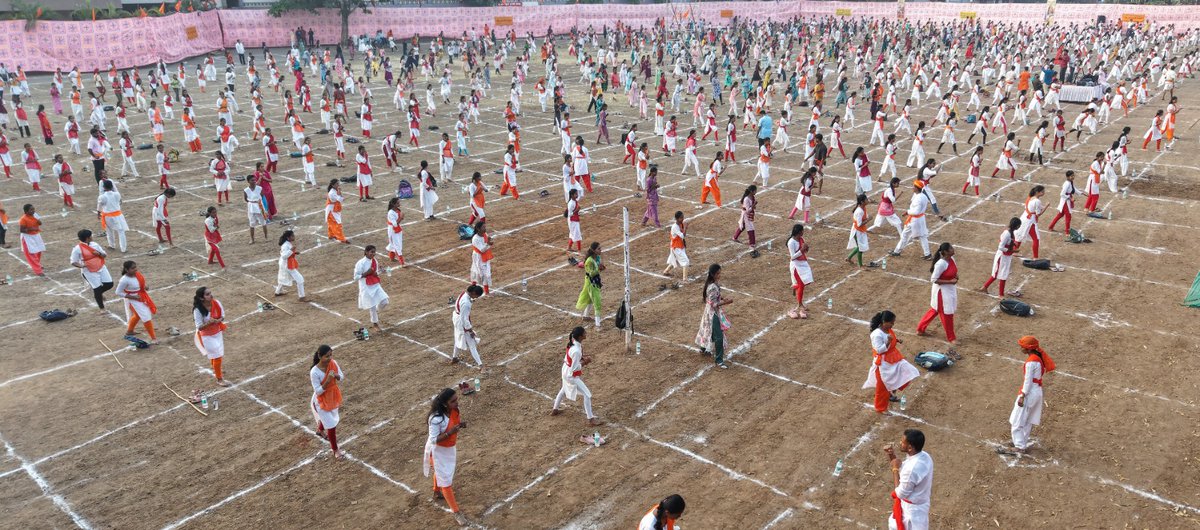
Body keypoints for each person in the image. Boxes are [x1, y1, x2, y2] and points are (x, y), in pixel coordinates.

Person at [1001, 336, 1056, 455]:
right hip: (1037, 392)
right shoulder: (1037, 357)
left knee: (1017, 420)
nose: (1021, 348)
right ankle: (1021, 442)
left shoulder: (1031, 362)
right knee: (1027, 420)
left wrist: (1022, 395)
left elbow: (1028, 381)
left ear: (1028, 348)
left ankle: (1019, 446)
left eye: (1022, 346)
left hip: (1029, 393)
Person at [424, 387, 470, 526]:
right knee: (446, 481)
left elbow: (453, 424)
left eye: (456, 399)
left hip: (448, 449)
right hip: (437, 451)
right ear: (445, 403)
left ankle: (436, 492)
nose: (457, 402)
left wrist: (459, 425)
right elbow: (433, 440)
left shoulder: (454, 411)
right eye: (453, 401)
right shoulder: (436, 418)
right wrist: (450, 433)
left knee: (442, 473)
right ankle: (456, 512)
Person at [863, 310, 919, 413]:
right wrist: (889, 342)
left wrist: (896, 340)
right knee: (882, 387)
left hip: (894, 358)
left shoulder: (887, 329)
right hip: (883, 363)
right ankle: (881, 408)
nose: (892, 325)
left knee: (909, 372)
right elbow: (879, 350)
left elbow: (890, 338)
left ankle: (892, 391)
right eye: (891, 323)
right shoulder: (876, 334)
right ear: (884, 321)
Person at [551, 326, 603, 425]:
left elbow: (572, 358)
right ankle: (591, 419)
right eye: (584, 333)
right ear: (580, 336)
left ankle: (555, 410)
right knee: (587, 394)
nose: (586, 334)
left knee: (563, 390)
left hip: (565, 370)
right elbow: (574, 368)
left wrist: (582, 358)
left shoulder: (573, 342)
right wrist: (585, 362)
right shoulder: (576, 351)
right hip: (570, 374)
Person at [884, 429, 933, 530]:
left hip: (913, 513)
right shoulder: (925, 456)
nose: (900, 443)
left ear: (910, 448)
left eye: (903, 442)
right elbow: (906, 472)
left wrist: (895, 469)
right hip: (917, 505)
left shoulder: (912, 469)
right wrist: (892, 456)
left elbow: (901, 493)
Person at [917, 243, 958, 346]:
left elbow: (954, 271)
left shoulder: (952, 259)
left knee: (935, 310)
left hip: (949, 290)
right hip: (942, 292)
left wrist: (956, 277)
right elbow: (934, 279)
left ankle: (920, 329)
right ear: (946, 252)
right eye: (951, 248)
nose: (953, 249)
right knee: (946, 313)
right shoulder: (941, 264)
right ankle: (951, 337)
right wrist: (950, 282)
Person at [310, 345, 344, 458]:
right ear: (320, 356)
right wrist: (328, 381)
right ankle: (335, 450)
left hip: (333, 397)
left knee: (331, 418)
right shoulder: (314, 372)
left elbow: (342, 377)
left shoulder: (333, 363)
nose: (330, 358)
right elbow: (318, 391)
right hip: (321, 400)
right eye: (326, 356)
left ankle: (320, 430)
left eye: (331, 355)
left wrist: (337, 376)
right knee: (331, 425)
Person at [193, 287, 231, 387]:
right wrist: (208, 323)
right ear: (202, 298)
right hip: (206, 336)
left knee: (215, 354)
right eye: (207, 294)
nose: (211, 295)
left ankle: (216, 369)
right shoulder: (198, 310)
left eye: (210, 293)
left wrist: (218, 321)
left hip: (217, 332)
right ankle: (219, 379)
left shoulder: (217, 303)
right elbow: (199, 327)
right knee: (217, 356)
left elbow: (222, 316)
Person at [696, 263, 732, 368]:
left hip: (711, 312)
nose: (719, 275)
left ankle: (703, 349)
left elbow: (715, 298)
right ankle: (719, 360)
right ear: (713, 274)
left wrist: (723, 298)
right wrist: (727, 302)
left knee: (708, 330)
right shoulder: (712, 287)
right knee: (718, 336)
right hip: (712, 313)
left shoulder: (713, 283)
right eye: (718, 273)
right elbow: (713, 304)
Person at [70, 229, 113, 308]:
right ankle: (102, 308)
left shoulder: (95, 244)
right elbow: (73, 261)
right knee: (97, 288)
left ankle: (98, 294)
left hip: (100, 266)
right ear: (87, 238)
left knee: (109, 284)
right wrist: (82, 266)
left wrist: (99, 253)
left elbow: (104, 255)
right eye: (91, 236)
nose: (92, 236)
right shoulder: (77, 249)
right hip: (89, 271)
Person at [890, 181, 933, 259]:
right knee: (923, 236)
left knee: (905, 235)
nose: (912, 187)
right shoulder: (923, 196)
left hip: (915, 220)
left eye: (913, 186)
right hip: (920, 219)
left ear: (916, 188)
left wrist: (907, 212)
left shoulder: (918, 198)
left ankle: (897, 251)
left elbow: (916, 212)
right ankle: (928, 254)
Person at [117, 261, 157, 343]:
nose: (135, 269)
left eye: (135, 267)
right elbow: (118, 292)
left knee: (138, 315)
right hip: (133, 299)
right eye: (133, 268)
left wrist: (144, 286)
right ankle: (153, 338)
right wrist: (133, 297)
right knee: (146, 316)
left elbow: (140, 282)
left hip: (141, 296)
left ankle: (129, 331)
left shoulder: (137, 274)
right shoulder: (124, 280)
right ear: (127, 270)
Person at [981, 218, 1022, 299]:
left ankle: (985, 287)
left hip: (1006, 256)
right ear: (1016, 226)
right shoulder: (1007, 234)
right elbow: (1000, 247)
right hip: (1002, 256)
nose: (1019, 227)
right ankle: (1000, 294)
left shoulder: (1010, 232)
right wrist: (1013, 250)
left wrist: (1013, 244)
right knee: (1000, 274)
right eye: (1019, 225)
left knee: (1002, 273)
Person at [354, 245, 389, 330]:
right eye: (371, 252)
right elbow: (355, 277)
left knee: (385, 301)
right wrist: (366, 273)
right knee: (372, 306)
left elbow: (375, 273)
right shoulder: (360, 263)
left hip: (375, 284)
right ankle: (375, 324)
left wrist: (381, 271)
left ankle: (377, 310)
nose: (373, 254)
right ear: (366, 252)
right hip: (366, 286)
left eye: (374, 252)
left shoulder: (374, 261)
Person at [451, 285, 484, 365]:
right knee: (472, 344)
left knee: (457, 337)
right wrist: (470, 330)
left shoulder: (463, 294)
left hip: (456, 318)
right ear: (473, 293)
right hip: (461, 322)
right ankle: (481, 365)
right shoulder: (466, 304)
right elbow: (464, 320)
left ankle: (454, 358)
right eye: (477, 296)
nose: (476, 298)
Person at [576, 242, 605, 329]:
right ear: (594, 250)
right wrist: (598, 269)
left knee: (589, 298)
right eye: (598, 249)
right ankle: (598, 325)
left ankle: (585, 316)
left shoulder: (598, 257)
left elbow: (599, 268)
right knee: (597, 301)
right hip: (591, 282)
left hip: (595, 280)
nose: (600, 250)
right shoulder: (589, 261)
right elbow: (591, 274)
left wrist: (602, 268)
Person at [787, 223, 813, 319]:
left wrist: (806, 249)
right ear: (799, 232)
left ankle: (795, 287)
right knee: (802, 284)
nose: (803, 232)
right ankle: (800, 304)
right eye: (802, 231)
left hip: (803, 263)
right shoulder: (791, 242)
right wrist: (802, 250)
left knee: (808, 281)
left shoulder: (801, 239)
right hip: (796, 265)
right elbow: (793, 257)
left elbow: (803, 250)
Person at [274, 230, 306, 301]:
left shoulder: (287, 243)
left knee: (282, 277)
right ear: (288, 238)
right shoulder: (286, 245)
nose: (294, 237)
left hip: (284, 264)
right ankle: (302, 297)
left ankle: (277, 292)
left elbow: (286, 254)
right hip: (287, 265)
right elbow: (284, 256)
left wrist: (294, 253)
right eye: (292, 236)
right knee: (300, 280)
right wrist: (291, 251)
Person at [1015, 185, 1046, 259]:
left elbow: (1030, 207)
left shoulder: (1030, 197)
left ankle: (1014, 250)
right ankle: (1035, 257)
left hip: (1024, 217)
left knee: (1020, 234)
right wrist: (1046, 207)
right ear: (1038, 192)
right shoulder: (1037, 201)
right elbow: (1038, 214)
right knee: (1036, 239)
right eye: (1042, 192)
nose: (1044, 193)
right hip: (1030, 221)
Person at [663, 211, 690, 284]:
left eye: (683, 217)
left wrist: (684, 226)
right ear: (677, 219)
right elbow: (683, 235)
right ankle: (685, 279)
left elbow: (683, 236)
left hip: (679, 245)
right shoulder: (675, 227)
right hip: (676, 247)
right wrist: (685, 227)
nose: (682, 219)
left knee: (675, 259)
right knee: (686, 261)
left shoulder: (680, 224)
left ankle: (666, 271)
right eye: (681, 218)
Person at [18, 204, 45, 276]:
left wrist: (37, 219)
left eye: (33, 209)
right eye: (31, 210)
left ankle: (37, 264)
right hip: (27, 238)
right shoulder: (23, 219)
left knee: (38, 250)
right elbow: (22, 230)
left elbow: (40, 223)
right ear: (26, 211)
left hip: (36, 235)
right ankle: (38, 271)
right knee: (31, 254)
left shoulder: (35, 215)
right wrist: (31, 229)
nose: (33, 211)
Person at [731, 184, 757, 251]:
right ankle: (752, 244)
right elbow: (748, 210)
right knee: (751, 228)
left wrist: (753, 206)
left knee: (742, 226)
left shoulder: (752, 197)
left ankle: (735, 237)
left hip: (749, 214)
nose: (756, 192)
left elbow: (751, 207)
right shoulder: (746, 199)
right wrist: (754, 205)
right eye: (755, 191)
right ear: (751, 191)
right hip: (746, 215)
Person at [846, 193, 870, 267]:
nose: (867, 200)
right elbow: (859, 224)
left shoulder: (863, 208)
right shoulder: (859, 211)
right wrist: (868, 220)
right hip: (857, 231)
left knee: (860, 246)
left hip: (860, 230)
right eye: (866, 199)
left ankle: (849, 258)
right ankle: (860, 265)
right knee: (861, 248)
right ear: (862, 202)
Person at [244, 176, 269, 244]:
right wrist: (252, 202)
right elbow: (246, 199)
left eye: (255, 180)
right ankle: (252, 239)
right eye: (252, 180)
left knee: (263, 222)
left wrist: (265, 209)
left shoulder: (260, 188)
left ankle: (266, 237)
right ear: (248, 181)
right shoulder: (246, 190)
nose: (254, 181)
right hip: (251, 206)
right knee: (252, 223)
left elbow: (262, 197)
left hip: (259, 205)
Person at [385, 197, 405, 265]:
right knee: (397, 245)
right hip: (393, 230)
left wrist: (401, 217)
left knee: (395, 244)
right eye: (398, 203)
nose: (399, 203)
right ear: (394, 204)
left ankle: (392, 257)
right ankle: (402, 262)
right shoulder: (391, 213)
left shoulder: (397, 210)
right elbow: (395, 224)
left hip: (397, 229)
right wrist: (401, 218)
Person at [566, 188, 583, 252]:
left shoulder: (574, 201)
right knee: (577, 234)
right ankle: (579, 250)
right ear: (572, 195)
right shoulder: (571, 204)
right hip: (572, 221)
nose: (577, 195)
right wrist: (577, 210)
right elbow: (570, 214)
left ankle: (569, 247)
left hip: (574, 219)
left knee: (573, 234)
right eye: (576, 194)